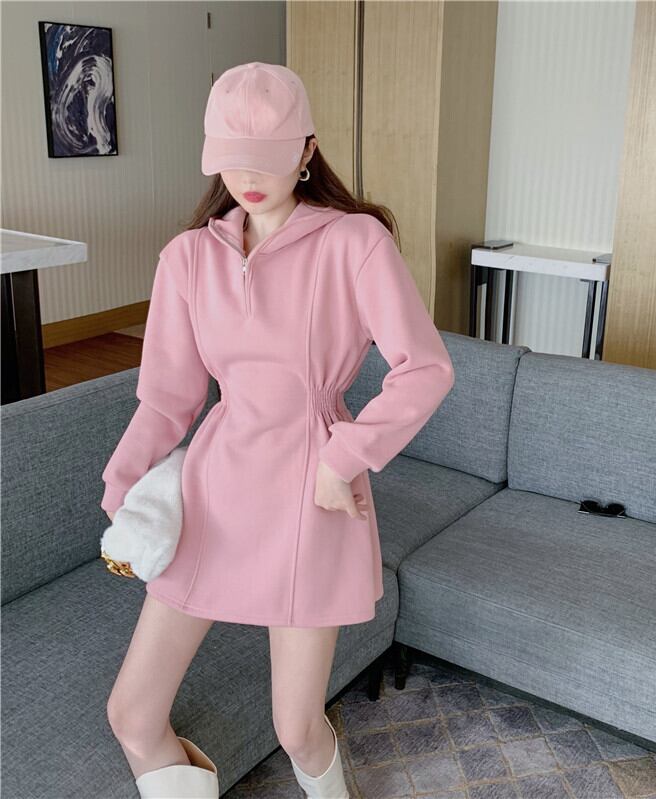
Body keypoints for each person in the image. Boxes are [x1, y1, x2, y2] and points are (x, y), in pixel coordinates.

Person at [102, 62, 455, 799]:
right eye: (232, 159)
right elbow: (168, 400)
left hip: (311, 493)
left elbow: (425, 368)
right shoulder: (187, 258)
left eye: (267, 158)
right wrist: (123, 485)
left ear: (306, 151)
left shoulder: (354, 242)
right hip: (214, 492)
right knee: (132, 713)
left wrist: (342, 458)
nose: (248, 177)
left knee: (296, 726)